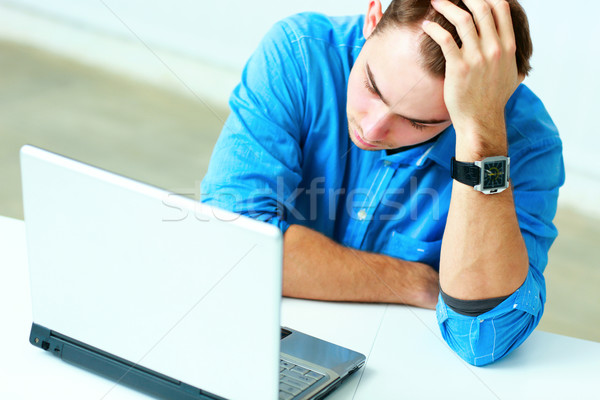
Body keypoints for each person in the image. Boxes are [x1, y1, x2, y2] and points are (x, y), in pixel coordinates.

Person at [201, 0, 564, 366]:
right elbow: (230, 243)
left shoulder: (528, 145)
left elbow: (484, 337)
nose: (372, 129)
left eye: (419, 122)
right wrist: (412, 282)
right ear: (373, 16)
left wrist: (481, 135)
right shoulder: (300, 53)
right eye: (372, 86)